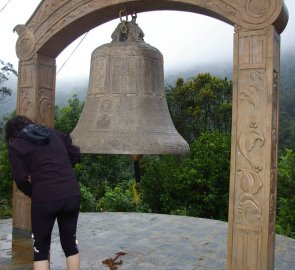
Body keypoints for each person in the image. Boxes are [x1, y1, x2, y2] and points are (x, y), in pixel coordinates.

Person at [5, 115, 81, 270]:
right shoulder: (54, 133)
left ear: (12, 133)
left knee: (41, 248)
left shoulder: (17, 145)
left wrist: (33, 192)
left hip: (44, 199)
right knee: (70, 244)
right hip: (71, 194)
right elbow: (75, 155)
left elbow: (19, 178)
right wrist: (62, 170)